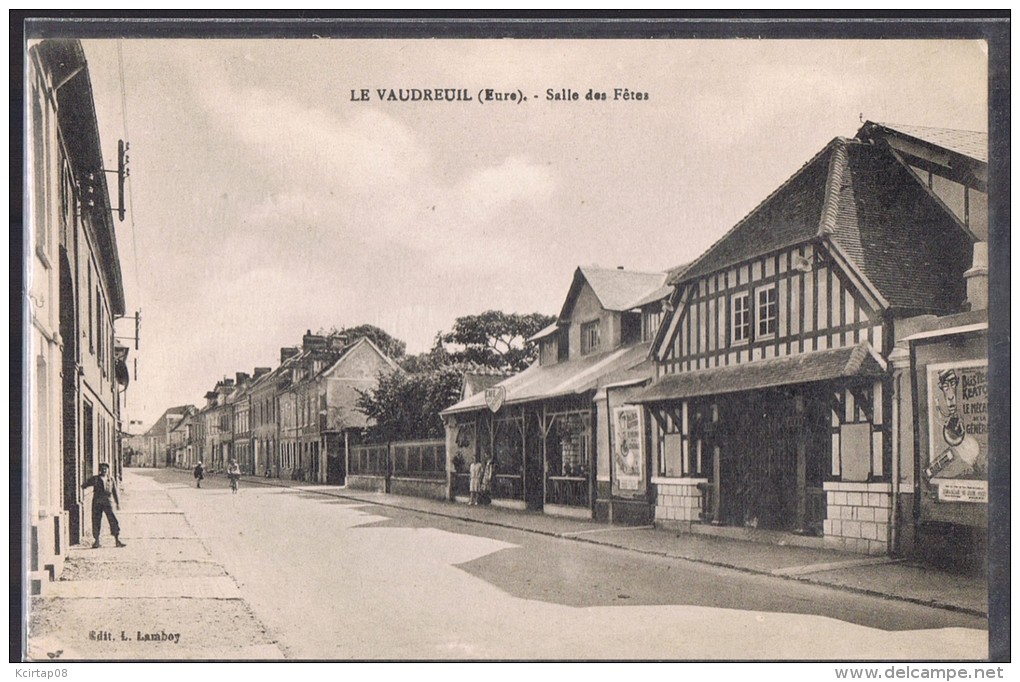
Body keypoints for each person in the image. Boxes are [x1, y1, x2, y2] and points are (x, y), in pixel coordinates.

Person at [81, 462, 126, 548]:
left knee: (113, 520)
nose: (104, 470)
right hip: (97, 502)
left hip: (108, 502)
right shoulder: (95, 479)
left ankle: (117, 540)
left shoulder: (111, 479)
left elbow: (115, 492)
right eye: (102, 469)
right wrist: (84, 485)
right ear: (100, 470)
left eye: (106, 469)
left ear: (108, 470)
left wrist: (117, 503)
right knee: (96, 520)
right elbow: (85, 485)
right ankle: (96, 541)